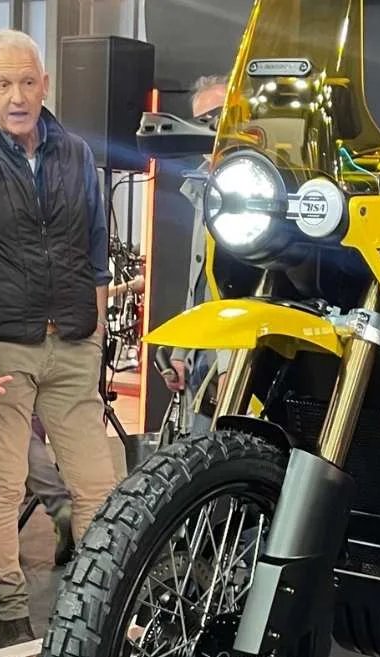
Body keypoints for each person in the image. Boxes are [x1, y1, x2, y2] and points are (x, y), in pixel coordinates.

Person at [0, 28, 119, 644]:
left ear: (45, 85)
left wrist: (94, 339)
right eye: (4, 83)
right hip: (2, 346)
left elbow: (96, 255)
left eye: (28, 82)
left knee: (97, 486)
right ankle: (12, 614)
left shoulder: (77, 155)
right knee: (4, 483)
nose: (17, 96)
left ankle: (96, 606)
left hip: (73, 342)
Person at [162, 74, 230, 434]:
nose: (211, 128)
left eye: (219, 115)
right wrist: (181, 351)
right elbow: (199, 281)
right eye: (202, 120)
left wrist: (232, 361)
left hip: (238, 358)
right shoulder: (199, 185)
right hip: (202, 357)